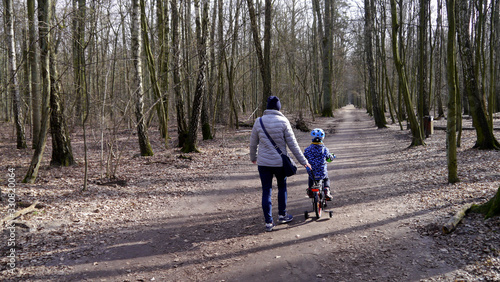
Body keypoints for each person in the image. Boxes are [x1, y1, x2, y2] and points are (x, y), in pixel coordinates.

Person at [250, 96, 311, 232]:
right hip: (279, 163)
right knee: (282, 187)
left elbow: (253, 142)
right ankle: (282, 215)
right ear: (278, 107)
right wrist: (304, 162)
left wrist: (253, 157)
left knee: (266, 190)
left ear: (267, 107)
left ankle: (268, 222)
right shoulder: (284, 121)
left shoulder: (258, 121)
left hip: (264, 163)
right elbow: (293, 145)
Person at [304, 128, 335, 201]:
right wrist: (332, 157)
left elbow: (304, 157)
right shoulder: (324, 149)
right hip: (322, 171)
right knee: (326, 178)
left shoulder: (308, 149)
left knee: (311, 177)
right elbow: (329, 158)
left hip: (312, 170)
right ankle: (326, 190)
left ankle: (310, 189)